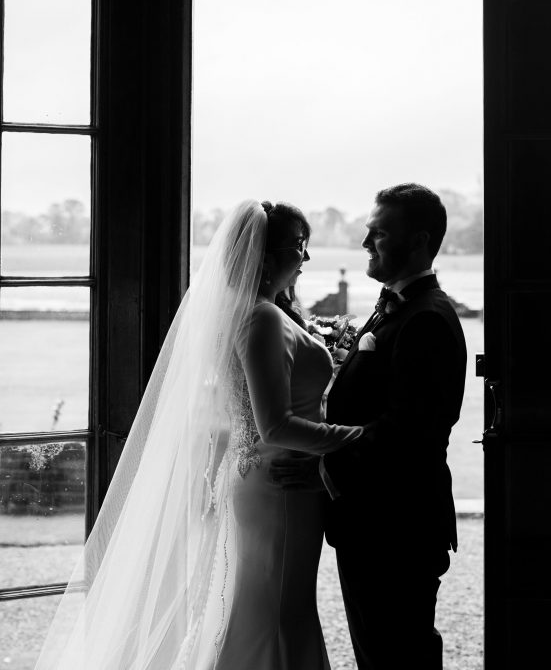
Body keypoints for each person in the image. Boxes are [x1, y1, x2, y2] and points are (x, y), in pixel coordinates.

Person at [34, 199, 362, 670]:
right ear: (265, 257)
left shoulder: (253, 312)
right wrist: (361, 437)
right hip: (282, 483)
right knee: (279, 611)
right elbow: (275, 424)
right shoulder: (262, 318)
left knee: (262, 606)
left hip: (263, 478)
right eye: (299, 246)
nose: (306, 258)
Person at [323, 183, 467, 670]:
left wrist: (320, 454)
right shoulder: (398, 306)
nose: (366, 243)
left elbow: (408, 430)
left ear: (420, 241)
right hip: (376, 521)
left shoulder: (426, 318)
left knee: (397, 655)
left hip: (394, 524)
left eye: (379, 234)